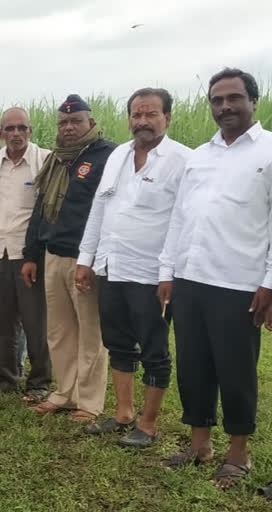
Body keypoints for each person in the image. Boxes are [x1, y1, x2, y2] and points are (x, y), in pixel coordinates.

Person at [159, 69, 272, 489]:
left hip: (239, 282)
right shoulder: (199, 156)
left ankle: (238, 454)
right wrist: (167, 271)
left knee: (235, 369)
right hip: (190, 278)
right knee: (193, 365)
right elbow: (179, 217)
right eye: (217, 100)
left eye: (233, 98)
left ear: (252, 101)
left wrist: (269, 282)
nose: (224, 107)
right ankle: (199, 444)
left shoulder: (268, 151)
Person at [77, 88, 191, 447]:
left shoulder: (181, 160)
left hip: (151, 274)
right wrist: (86, 259)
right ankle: (123, 412)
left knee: (154, 348)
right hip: (112, 266)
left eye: (151, 114)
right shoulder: (118, 156)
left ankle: (149, 423)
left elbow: (182, 221)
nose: (142, 121)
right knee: (118, 342)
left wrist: (168, 273)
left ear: (167, 118)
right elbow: (100, 207)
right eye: (136, 115)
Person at [22, 95, 116, 423]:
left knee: (90, 332)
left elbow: (109, 211)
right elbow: (40, 208)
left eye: (76, 121)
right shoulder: (56, 160)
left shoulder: (108, 156)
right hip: (52, 254)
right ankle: (64, 392)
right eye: (64, 122)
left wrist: (91, 260)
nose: (69, 127)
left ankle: (89, 403)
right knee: (59, 330)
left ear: (90, 123)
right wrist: (32, 254)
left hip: (84, 258)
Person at [0, 107, 52, 398]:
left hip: (29, 254)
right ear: (2, 132)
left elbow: (47, 211)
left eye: (22, 128)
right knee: (2, 320)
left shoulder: (43, 160)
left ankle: (40, 382)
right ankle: (5, 379)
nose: (16, 134)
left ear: (30, 131)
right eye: (10, 129)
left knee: (35, 321)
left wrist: (37, 254)